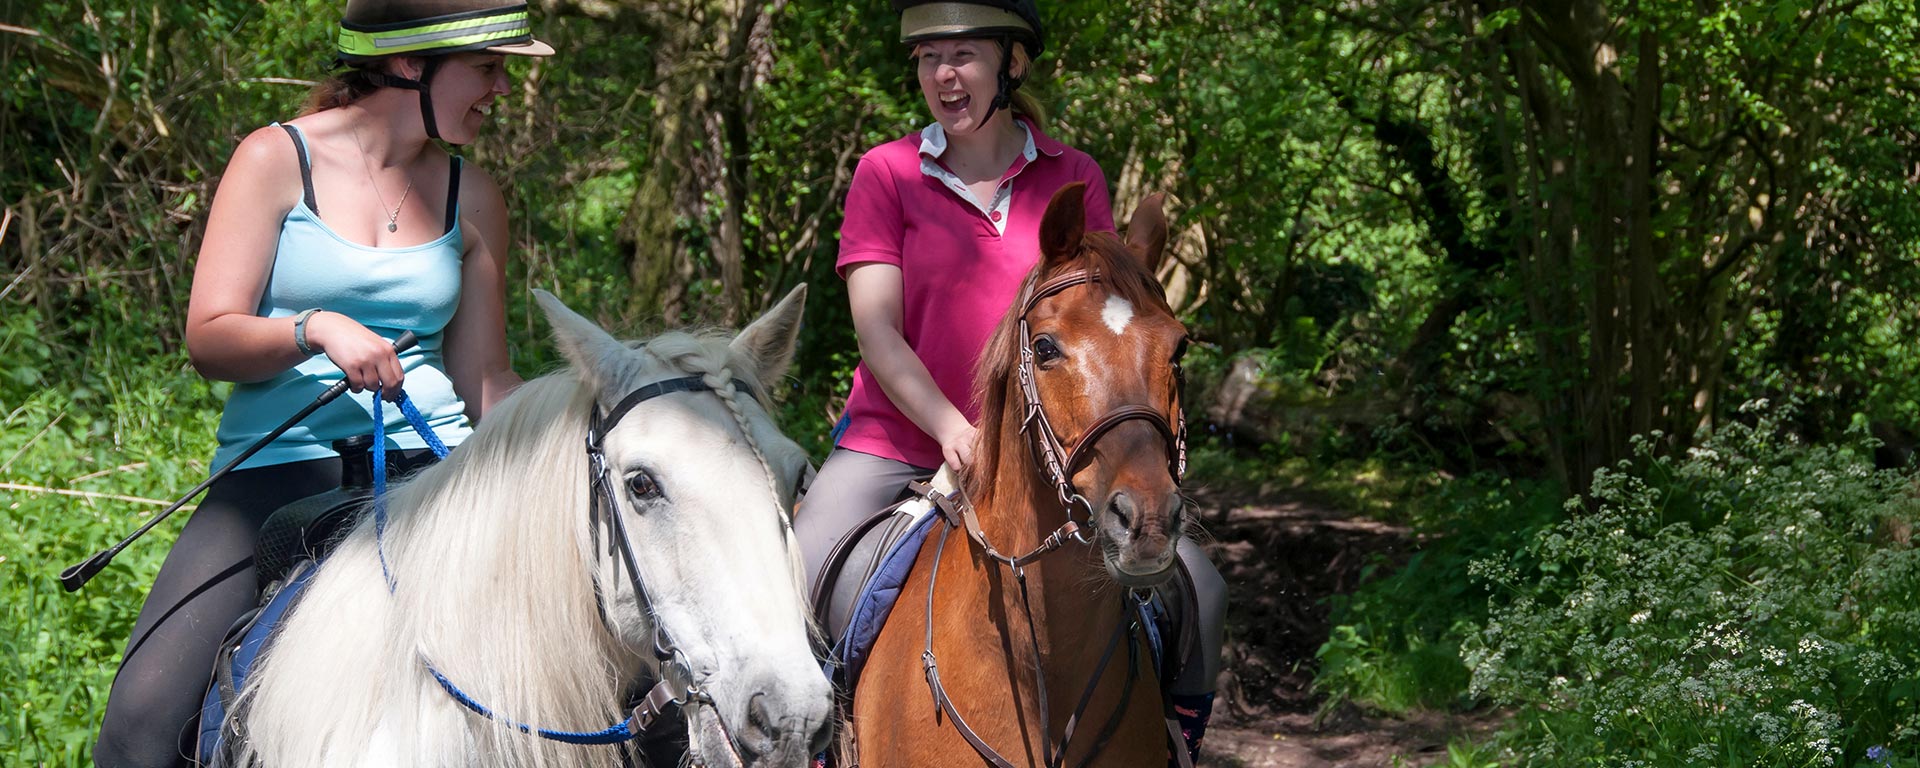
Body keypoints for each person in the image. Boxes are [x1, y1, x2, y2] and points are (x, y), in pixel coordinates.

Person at [92, 2, 550, 765]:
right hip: (276, 475)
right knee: (139, 724)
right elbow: (209, 338)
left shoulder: (474, 195)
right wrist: (315, 328)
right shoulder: (274, 159)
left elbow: (485, 380)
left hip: (437, 476)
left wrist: (569, 433)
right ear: (410, 64)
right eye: (489, 68)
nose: (500, 89)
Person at [791, 1, 1227, 762]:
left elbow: (1102, 322)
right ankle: (817, 743)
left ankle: (1175, 741)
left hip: (1049, 447)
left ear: (1011, 64)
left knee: (1204, 591)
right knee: (805, 561)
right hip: (897, 440)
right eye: (928, 58)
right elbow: (877, 332)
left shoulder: (1073, 175)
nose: (943, 75)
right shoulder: (885, 173)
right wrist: (951, 430)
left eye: (961, 55)